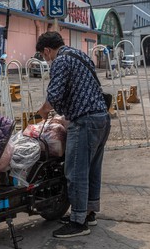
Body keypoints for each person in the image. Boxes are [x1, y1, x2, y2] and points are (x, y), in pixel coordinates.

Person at [35, 31, 111, 238]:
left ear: (48, 50)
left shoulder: (60, 61)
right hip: (102, 118)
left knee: (76, 171)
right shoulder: (80, 55)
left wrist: (43, 110)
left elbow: (54, 95)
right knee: (92, 169)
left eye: (44, 55)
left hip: (85, 121)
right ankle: (89, 212)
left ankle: (78, 222)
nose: (46, 59)